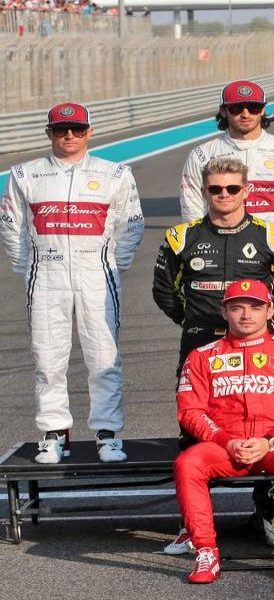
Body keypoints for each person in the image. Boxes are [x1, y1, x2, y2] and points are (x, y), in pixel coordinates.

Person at [0, 102, 144, 464]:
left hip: (97, 276)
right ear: (48, 133)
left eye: (77, 129)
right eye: (61, 130)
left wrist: (112, 265)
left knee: (103, 357)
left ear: (89, 131)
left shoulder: (115, 173)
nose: (69, 136)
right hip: (46, 277)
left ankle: (108, 433)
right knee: (47, 359)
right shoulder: (25, 174)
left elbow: (131, 224)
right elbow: (11, 226)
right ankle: (53, 434)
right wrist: (30, 267)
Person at [174, 279, 274, 583]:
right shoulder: (201, 356)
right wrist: (226, 441)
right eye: (237, 308)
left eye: (255, 307)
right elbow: (190, 412)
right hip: (224, 446)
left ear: (270, 311)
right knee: (187, 463)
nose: (246, 315)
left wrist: (270, 441)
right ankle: (206, 552)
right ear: (224, 312)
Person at [179, 80, 274, 346]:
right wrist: (210, 251)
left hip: (272, 266)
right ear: (223, 111)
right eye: (236, 108)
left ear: (263, 110)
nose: (245, 113)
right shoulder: (202, 155)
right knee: (215, 340)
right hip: (217, 264)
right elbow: (192, 212)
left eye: (253, 107)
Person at [154, 157, 274, 375]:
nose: (224, 194)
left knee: (258, 397)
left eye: (233, 189)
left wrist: (263, 322)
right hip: (199, 338)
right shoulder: (180, 237)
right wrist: (190, 319)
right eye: (215, 189)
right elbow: (163, 290)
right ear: (204, 192)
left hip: (255, 340)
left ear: (245, 191)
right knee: (193, 396)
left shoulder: (273, 236)